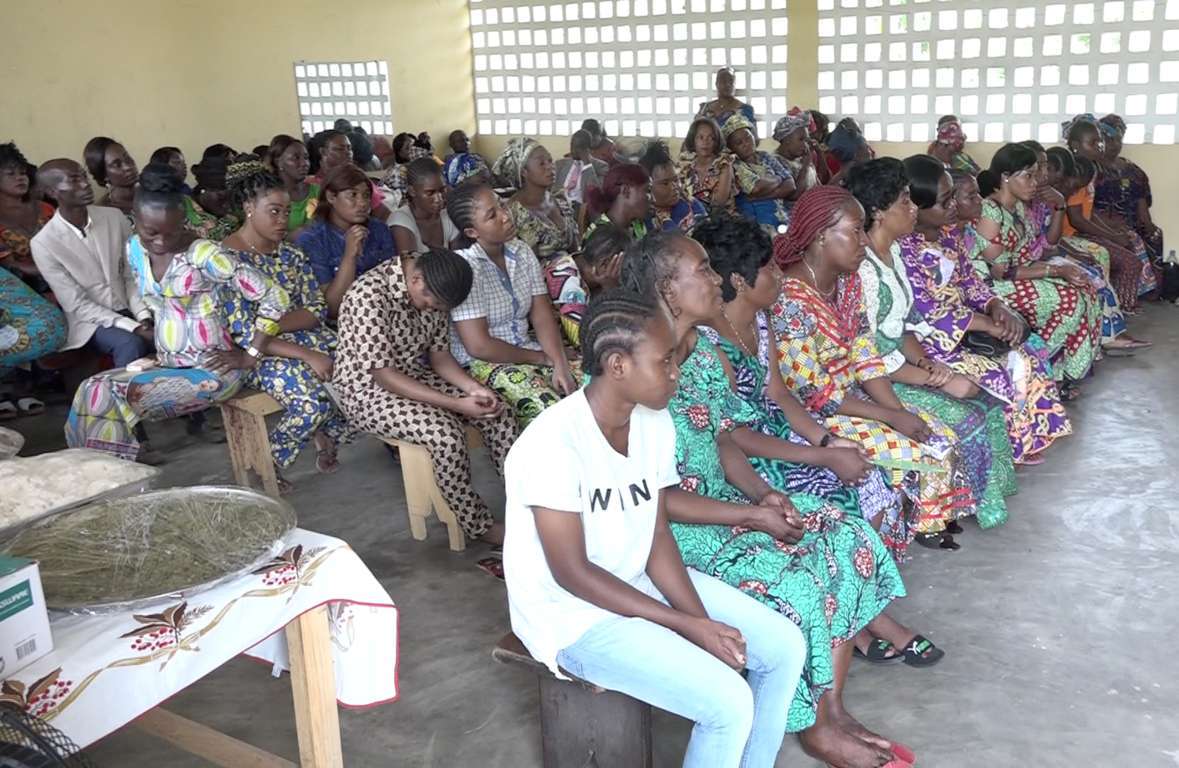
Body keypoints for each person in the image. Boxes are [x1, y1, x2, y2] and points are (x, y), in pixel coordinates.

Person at [620, 231, 924, 768]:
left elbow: (723, 437)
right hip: (672, 532)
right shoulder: (634, 369)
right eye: (703, 270)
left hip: (722, 505)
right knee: (799, 580)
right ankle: (813, 726)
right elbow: (650, 501)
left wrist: (766, 493)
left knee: (847, 535)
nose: (716, 279)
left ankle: (832, 711)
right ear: (667, 289)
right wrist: (751, 514)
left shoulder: (703, 352)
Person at [502, 288, 805, 768]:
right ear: (618, 365)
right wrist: (686, 624)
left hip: (634, 580)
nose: (675, 373)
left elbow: (655, 532)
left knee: (785, 647)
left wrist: (701, 623)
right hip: (572, 617)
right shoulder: (552, 445)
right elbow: (572, 573)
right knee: (728, 703)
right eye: (664, 362)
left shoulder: (651, 421)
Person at [770, 185, 974, 559]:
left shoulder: (847, 284)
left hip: (853, 401)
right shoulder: (789, 301)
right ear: (820, 236)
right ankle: (896, 539)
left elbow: (866, 357)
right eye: (855, 231)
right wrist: (889, 417)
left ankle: (923, 522)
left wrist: (899, 413)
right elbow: (812, 393)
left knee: (937, 436)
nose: (864, 241)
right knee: (920, 453)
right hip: (813, 417)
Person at [692, 214, 904, 540]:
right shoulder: (710, 345)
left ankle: (863, 567)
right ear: (738, 280)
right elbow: (734, 436)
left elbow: (778, 394)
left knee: (869, 477)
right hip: (745, 454)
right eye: (770, 268)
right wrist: (823, 456)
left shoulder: (759, 321)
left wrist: (828, 441)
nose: (780, 275)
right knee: (837, 496)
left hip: (775, 431)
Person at [65, 164, 289, 463]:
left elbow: (275, 296)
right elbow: (152, 299)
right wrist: (152, 330)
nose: (160, 242)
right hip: (170, 364)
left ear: (183, 222)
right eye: (151, 233)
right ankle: (98, 472)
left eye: (172, 233)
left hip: (213, 370)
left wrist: (251, 355)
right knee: (89, 389)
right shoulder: (135, 249)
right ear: (135, 220)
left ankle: (109, 474)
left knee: (106, 395)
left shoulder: (205, 255)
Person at [847, 159, 1015, 534]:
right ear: (878, 212)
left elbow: (904, 326)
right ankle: (933, 518)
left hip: (900, 365)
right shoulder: (865, 270)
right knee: (964, 417)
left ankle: (981, 498)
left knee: (984, 401)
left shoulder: (894, 254)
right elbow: (868, 354)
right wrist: (930, 379)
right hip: (874, 381)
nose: (913, 209)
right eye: (905, 201)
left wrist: (927, 364)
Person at [334, 248, 517, 544]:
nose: (434, 309)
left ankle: (528, 505)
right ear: (416, 280)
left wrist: (474, 390)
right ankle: (479, 526)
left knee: (498, 412)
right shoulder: (367, 297)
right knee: (444, 434)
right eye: (434, 302)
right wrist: (457, 404)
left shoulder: (436, 277)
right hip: (367, 392)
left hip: (413, 375)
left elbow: (440, 358)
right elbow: (385, 376)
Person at [899, 157, 1073, 465]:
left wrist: (997, 306)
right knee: (998, 368)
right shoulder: (904, 249)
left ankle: (1027, 435)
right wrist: (986, 324)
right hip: (931, 339)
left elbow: (971, 282)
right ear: (916, 206)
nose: (954, 206)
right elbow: (926, 311)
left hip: (966, 326)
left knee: (1028, 348)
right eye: (945, 201)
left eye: (954, 197)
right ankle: (1009, 445)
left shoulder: (949, 236)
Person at [221, 158, 350, 487]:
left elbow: (316, 308)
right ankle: (269, 463)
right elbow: (246, 333)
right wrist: (307, 353)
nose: (283, 220)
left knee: (362, 369)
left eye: (287, 211)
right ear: (249, 208)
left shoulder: (291, 254)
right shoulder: (226, 262)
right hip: (257, 353)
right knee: (312, 403)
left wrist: (270, 322)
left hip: (300, 337)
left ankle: (330, 431)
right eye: (274, 211)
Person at [973, 143, 1101, 396]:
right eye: (1028, 176)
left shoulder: (1019, 208)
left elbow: (1032, 255)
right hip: (991, 287)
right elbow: (1001, 270)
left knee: (1085, 287)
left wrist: (1066, 271)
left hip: (1017, 277)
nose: (1035, 183)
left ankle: (1064, 374)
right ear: (1006, 177)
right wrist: (1057, 272)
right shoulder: (991, 211)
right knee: (1069, 301)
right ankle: (1034, 368)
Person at [446, 181, 576, 427]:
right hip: (484, 365)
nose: (505, 216)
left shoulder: (521, 251)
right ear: (472, 232)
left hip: (528, 349)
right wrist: (541, 358)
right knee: (552, 413)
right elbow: (479, 346)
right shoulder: (465, 268)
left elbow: (541, 316)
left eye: (502, 206)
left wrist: (558, 362)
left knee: (591, 386)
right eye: (492, 215)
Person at [30, 160, 153, 368]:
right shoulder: (44, 243)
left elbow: (132, 273)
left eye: (84, 176)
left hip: (131, 304)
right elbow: (76, 304)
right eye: (74, 180)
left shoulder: (114, 217)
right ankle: (123, 390)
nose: (85, 184)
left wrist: (143, 315)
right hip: (90, 321)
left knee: (172, 329)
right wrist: (133, 327)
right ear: (52, 192)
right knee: (130, 343)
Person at [496, 138, 586, 345]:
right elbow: (516, 264)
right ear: (524, 172)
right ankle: (581, 338)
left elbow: (575, 247)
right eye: (541, 163)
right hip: (534, 280)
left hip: (569, 272)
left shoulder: (560, 201)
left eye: (550, 161)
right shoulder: (512, 212)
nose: (550, 167)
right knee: (563, 269)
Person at [1063, 121, 1159, 311]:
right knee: (1129, 262)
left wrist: (1112, 229)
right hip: (1071, 235)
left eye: (1099, 142)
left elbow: (1089, 212)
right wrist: (1111, 236)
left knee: (1130, 239)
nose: (1099, 146)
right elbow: (1077, 220)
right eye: (1092, 143)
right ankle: (1121, 308)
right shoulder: (1075, 173)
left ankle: (1123, 303)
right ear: (1075, 145)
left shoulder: (1090, 170)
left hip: (1082, 232)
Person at [294, 163, 396, 317]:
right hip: (341, 321)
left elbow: (394, 284)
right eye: (353, 195)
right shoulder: (312, 240)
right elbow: (332, 309)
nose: (362, 203)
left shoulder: (379, 230)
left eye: (366, 195)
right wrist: (349, 256)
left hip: (384, 313)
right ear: (331, 197)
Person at [1094, 114, 1165, 268]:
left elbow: (1142, 206)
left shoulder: (1134, 171)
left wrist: (1149, 226)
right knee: (1128, 242)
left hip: (1132, 226)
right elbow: (1085, 209)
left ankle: (1151, 283)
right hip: (1101, 226)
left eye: (1118, 139)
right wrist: (1112, 226)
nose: (1114, 144)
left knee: (1155, 236)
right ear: (1098, 140)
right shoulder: (1091, 169)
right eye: (1108, 139)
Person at [723, 114, 794, 234]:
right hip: (754, 218)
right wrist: (777, 179)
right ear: (731, 148)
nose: (746, 144)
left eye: (748, 137)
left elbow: (790, 185)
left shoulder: (765, 156)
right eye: (739, 143)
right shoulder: (735, 165)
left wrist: (761, 196)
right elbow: (756, 188)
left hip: (780, 214)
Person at [0, 143, 54, 293]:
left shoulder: (45, 208)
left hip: (64, 274)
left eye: (23, 173)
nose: (20, 178)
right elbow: (9, 265)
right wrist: (51, 271)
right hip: (26, 287)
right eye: (11, 174)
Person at [389, 158, 460, 254]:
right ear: (412, 191)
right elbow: (410, 262)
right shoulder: (400, 220)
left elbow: (459, 258)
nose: (439, 198)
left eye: (442, 190)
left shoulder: (447, 215)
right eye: (430, 193)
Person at [639, 141, 707, 233]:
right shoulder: (641, 216)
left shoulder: (692, 206)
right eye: (665, 183)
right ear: (648, 186)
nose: (675, 187)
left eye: (675, 180)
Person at [679, 116, 736, 212]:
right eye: (700, 137)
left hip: (720, 217)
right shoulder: (685, 166)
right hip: (690, 216)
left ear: (716, 141)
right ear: (693, 140)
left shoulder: (724, 164)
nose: (705, 142)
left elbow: (719, 202)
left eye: (711, 138)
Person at [267, 135, 319, 236]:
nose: (304, 163)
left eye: (306, 158)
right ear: (278, 162)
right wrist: (299, 233)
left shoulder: (318, 191)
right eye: (296, 158)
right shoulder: (269, 198)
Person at [583, 163, 651, 241]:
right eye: (648, 190)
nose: (653, 199)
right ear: (626, 191)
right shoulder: (600, 236)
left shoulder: (637, 226)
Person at [187, 150, 241, 239]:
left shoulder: (233, 210)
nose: (227, 205)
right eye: (221, 197)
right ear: (204, 189)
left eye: (231, 197)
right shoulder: (186, 211)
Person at [553, 129, 608, 213]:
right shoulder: (560, 164)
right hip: (557, 206)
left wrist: (587, 163)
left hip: (580, 210)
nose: (573, 150)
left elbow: (596, 194)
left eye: (578, 147)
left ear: (587, 148)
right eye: (572, 146)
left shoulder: (601, 166)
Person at [83, 137, 138, 220]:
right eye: (117, 165)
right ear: (104, 175)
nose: (128, 167)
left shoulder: (152, 193)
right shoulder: (102, 212)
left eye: (127, 158)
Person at [772, 109, 820, 201]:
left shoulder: (801, 159)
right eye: (801, 139)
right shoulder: (775, 163)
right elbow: (793, 196)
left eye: (806, 140)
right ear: (786, 140)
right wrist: (805, 166)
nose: (805, 145)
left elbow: (818, 188)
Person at [575, 223, 627, 300]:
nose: (620, 276)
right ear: (604, 265)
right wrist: (610, 289)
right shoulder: (571, 288)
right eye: (620, 268)